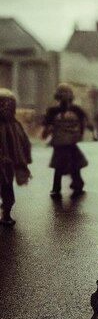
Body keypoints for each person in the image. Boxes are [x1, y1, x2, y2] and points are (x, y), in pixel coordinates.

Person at [42, 83, 89, 199]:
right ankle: (66, 186)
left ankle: (70, 186)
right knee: (66, 165)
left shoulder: (72, 110)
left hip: (66, 143)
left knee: (70, 165)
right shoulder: (56, 111)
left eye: (66, 93)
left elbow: (82, 122)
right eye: (62, 93)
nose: (64, 96)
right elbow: (48, 125)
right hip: (63, 143)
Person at [0, 89, 32, 225]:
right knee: (7, 187)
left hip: (8, 164)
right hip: (5, 162)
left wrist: (23, 159)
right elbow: (25, 143)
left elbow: (24, 142)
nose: (5, 108)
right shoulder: (14, 125)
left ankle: (6, 214)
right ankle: (6, 214)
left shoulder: (15, 125)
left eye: (9, 105)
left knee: (7, 187)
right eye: (3, 105)